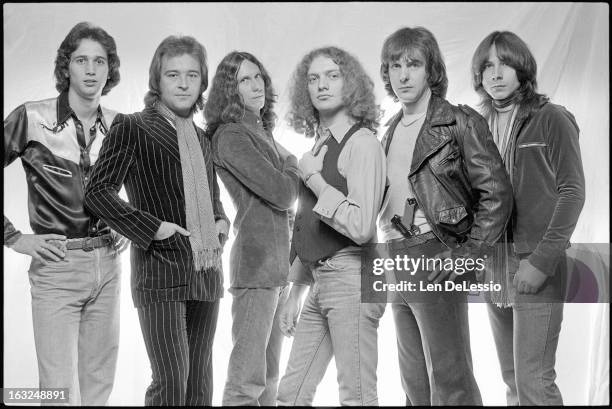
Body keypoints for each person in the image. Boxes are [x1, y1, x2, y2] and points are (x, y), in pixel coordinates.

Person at [84, 35, 229, 406]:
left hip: (205, 272)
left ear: (202, 83)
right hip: (160, 271)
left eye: (192, 75)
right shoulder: (133, 127)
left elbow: (214, 202)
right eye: (173, 74)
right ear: (157, 80)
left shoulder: (202, 137)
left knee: (199, 388)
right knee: (172, 385)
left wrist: (222, 223)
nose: (183, 83)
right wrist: (154, 228)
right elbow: (98, 192)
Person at [378, 26, 513, 405]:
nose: (403, 75)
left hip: (434, 255)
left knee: (450, 381)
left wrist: (467, 253)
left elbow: (497, 194)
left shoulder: (459, 121)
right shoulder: (389, 130)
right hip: (394, 256)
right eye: (394, 66)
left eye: (413, 64)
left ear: (431, 70)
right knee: (414, 384)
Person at [3, 22, 123, 405]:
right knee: (56, 391)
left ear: (110, 69)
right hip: (57, 265)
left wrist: (127, 222)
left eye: (99, 61)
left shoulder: (122, 126)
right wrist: (14, 237)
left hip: (109, 264)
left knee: (99, 383)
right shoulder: (30, 118)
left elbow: (141, 189)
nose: (90, 70)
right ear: (66, 67)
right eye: (81, 60)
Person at [471, 30, 585, 406]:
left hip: (535, 262)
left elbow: (572, 193)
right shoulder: (478, 127)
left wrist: (543, 260)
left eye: (504, 63)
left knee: (535, 383)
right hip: (494, 264)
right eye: (487, 65)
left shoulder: (552, 118)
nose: (495, 73)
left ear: (522, 67)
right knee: (513, 381)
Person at [276, 46, 387, 406]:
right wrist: (295, 289)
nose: (321, 85)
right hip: (322, 278)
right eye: (313, 78)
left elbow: (360, 226)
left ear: (350, 83)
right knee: (290, 396)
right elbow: (310, 223)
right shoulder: (321, 144)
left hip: (353, 276)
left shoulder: (363, 143)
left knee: (356, 397)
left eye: (332, 76)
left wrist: (315, 179)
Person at [205, 51, 299, 405]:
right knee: (247, 382)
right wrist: (292, 165)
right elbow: (283, 193)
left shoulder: (261, 131)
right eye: (244, 79)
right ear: (230, 89)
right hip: (255, 268)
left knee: (270, 379)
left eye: (258, 76)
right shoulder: (231, 135)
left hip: (278, 271)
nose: (256, 84)